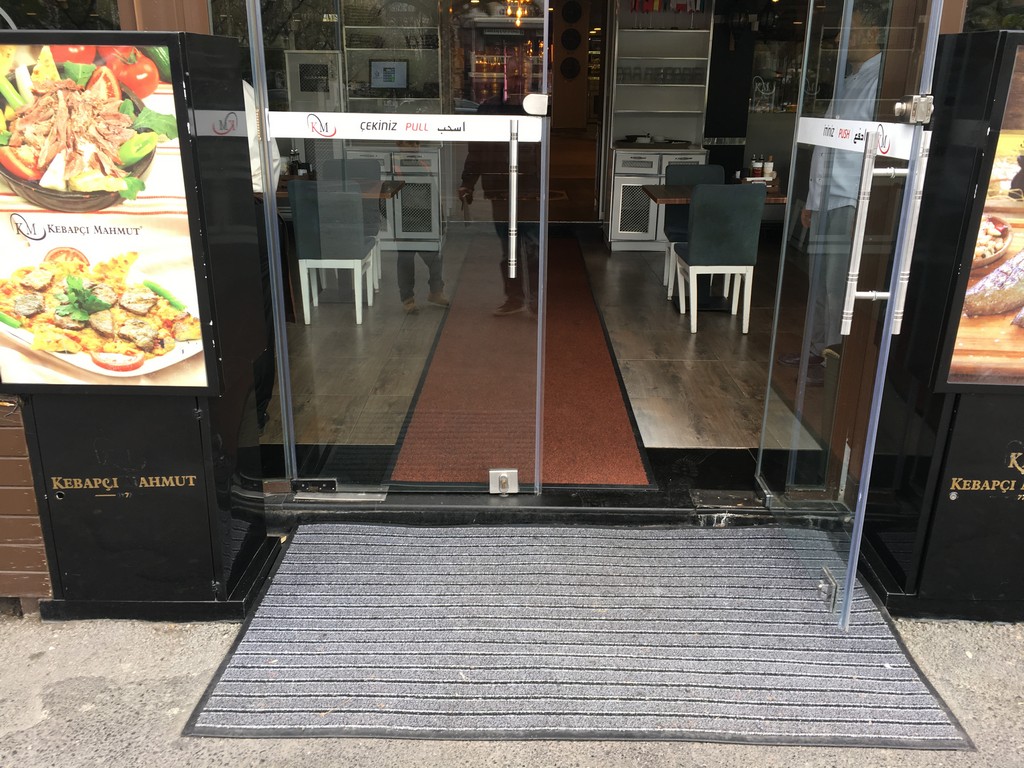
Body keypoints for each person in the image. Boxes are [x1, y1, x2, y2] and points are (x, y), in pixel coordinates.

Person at [777, 1, 886, 384]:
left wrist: (849, 206)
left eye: (847, 30)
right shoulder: (850, 80)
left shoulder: (881, 82)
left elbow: (874, 152)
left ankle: (832, 361)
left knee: (838, 284)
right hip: (828, 198)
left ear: (871, 32)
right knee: (820, 281)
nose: (838, 40)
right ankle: (817, 348)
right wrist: (812, 199)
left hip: (849, 199)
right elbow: (827, 146)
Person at [457, 69, 541, 316]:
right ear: (504, 80)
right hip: (500, 190)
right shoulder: (489, 109)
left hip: (528, 190)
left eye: (521, 77)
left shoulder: (535, 108)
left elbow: (544, 151)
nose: (517, 82)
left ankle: (534, 300)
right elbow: (476, 150)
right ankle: (515, 298)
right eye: (512, 77)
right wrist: (468, 182)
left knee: (533, 248)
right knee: (509, 249)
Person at [243, 80, 282, 428]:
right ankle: (254, 411)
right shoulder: (242, 91)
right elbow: (268, 160)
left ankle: (245, 410)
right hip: (249, 205)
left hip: (208, 210)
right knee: (259, 313)